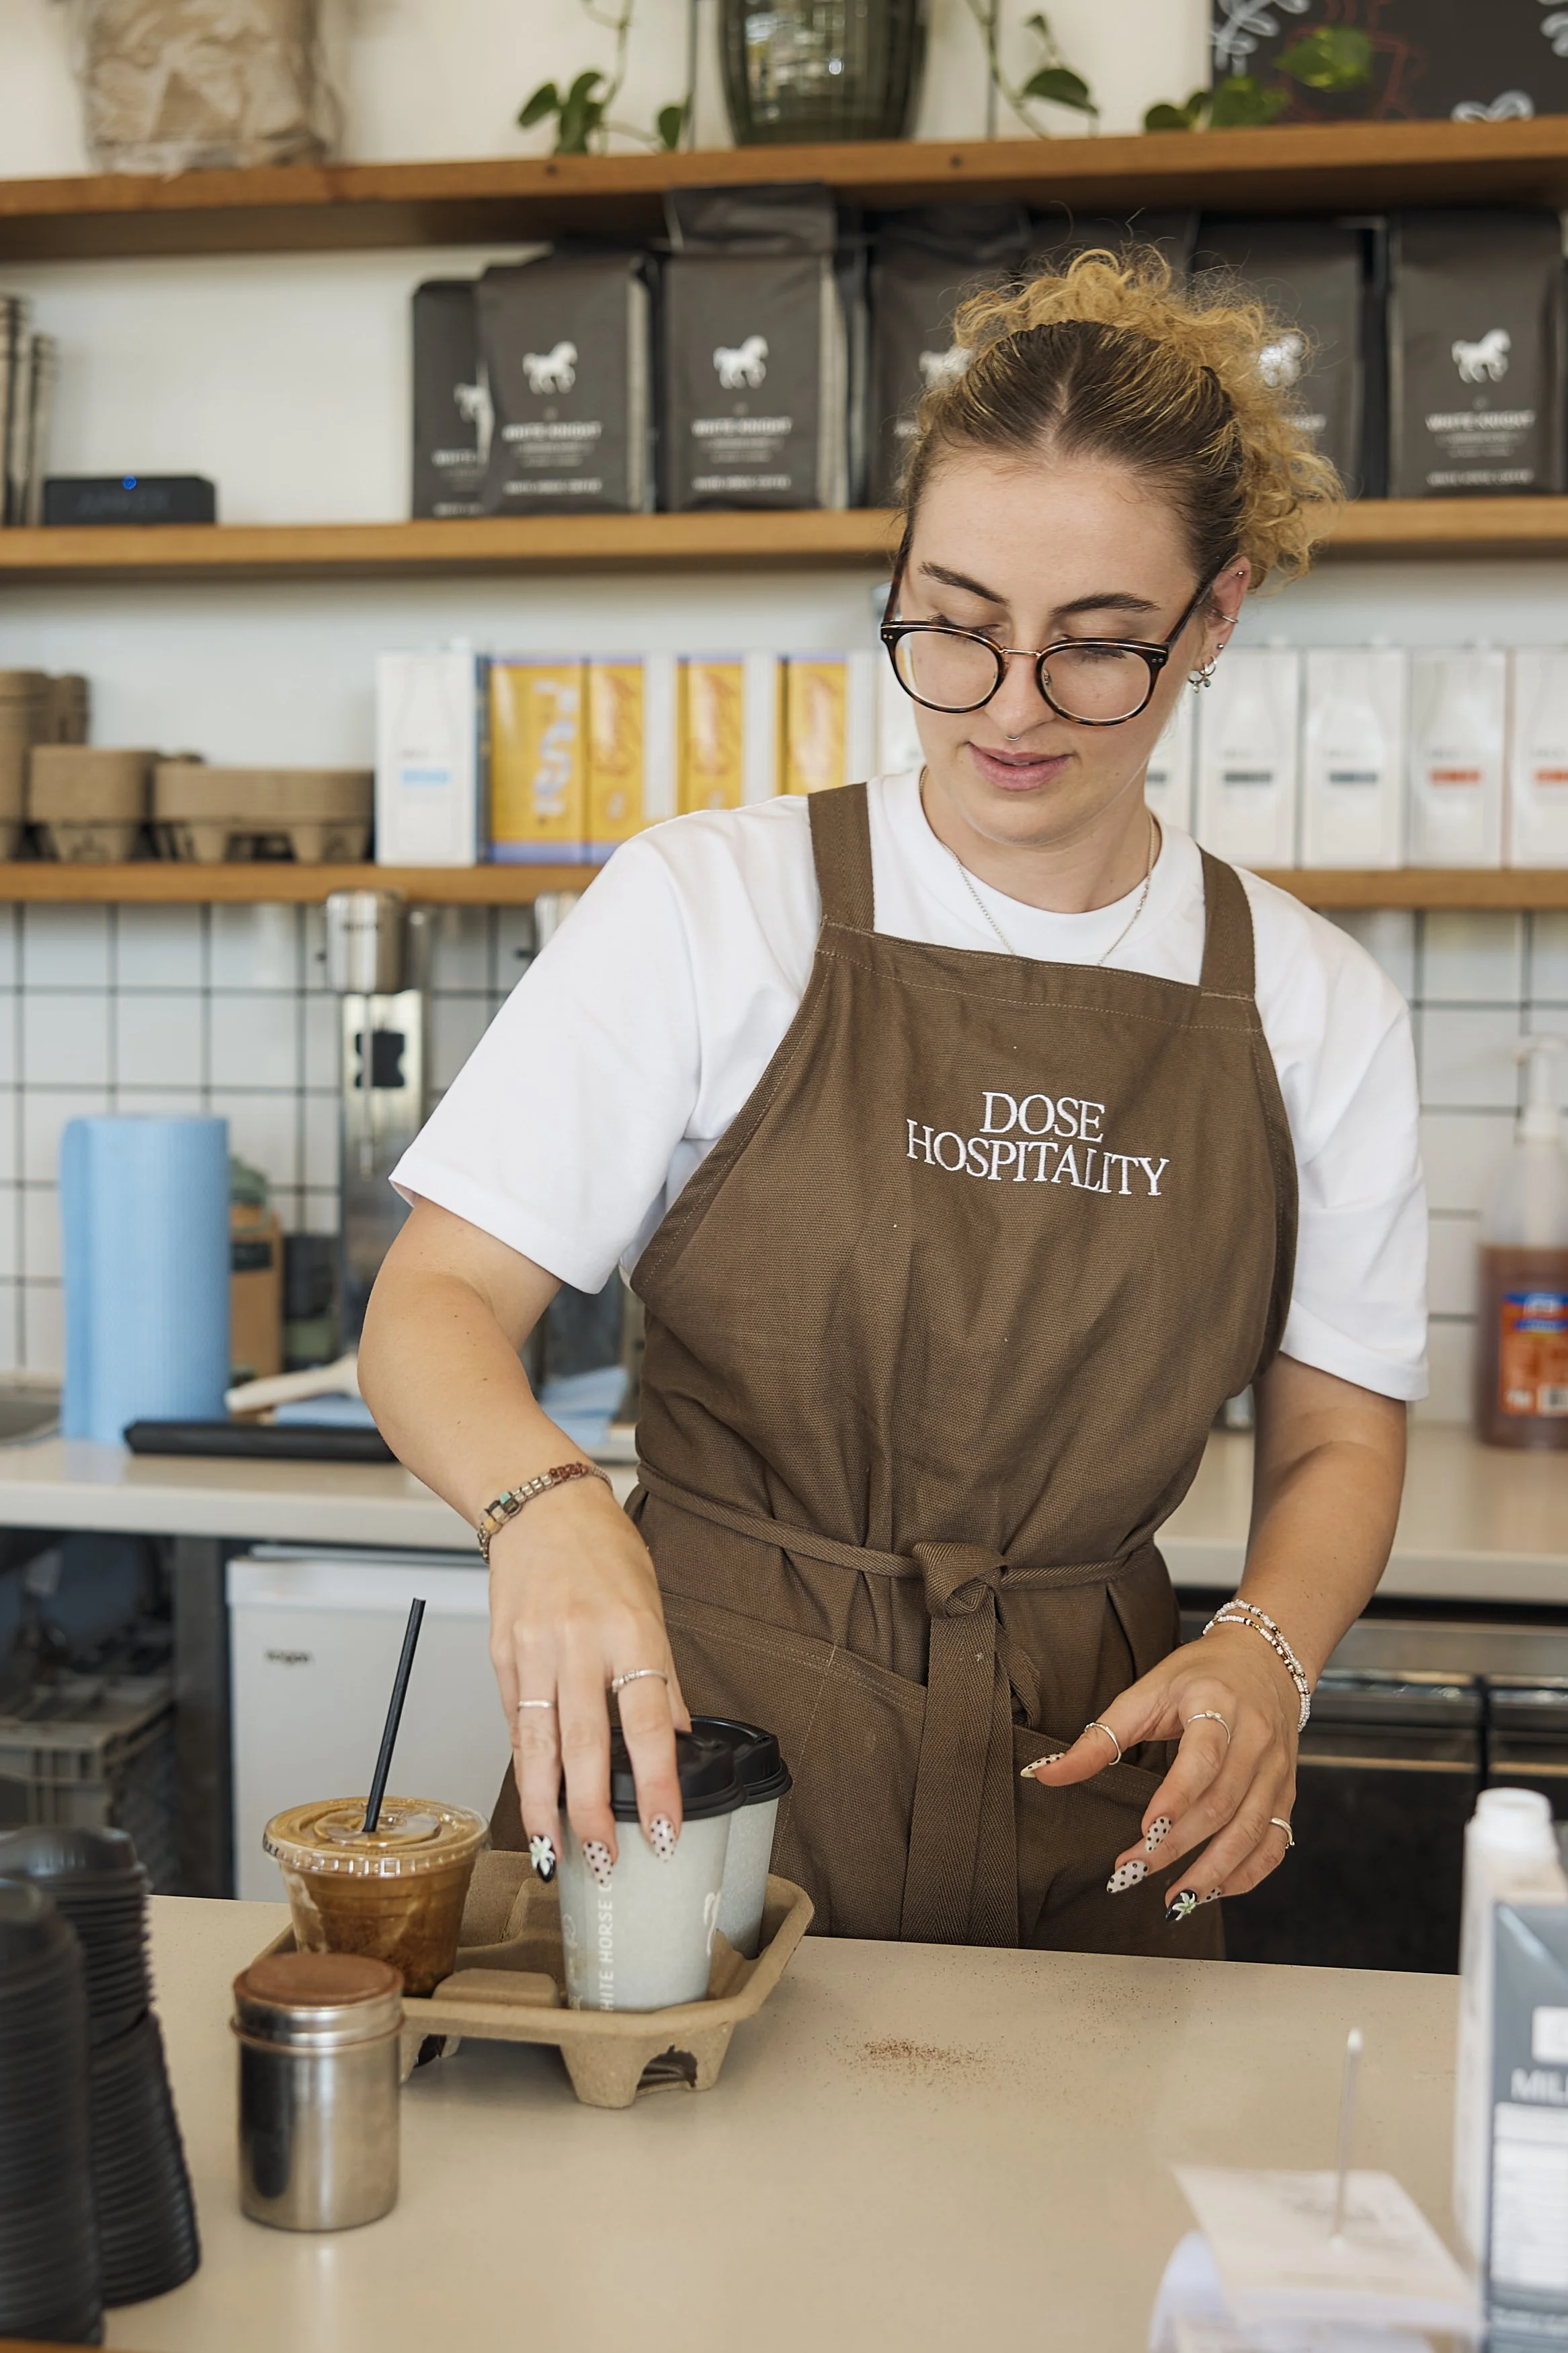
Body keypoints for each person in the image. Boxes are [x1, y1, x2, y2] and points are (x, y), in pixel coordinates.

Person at [360, 249, 1426, 1957]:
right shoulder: (709, 907)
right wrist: (542, 1510)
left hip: (1102, 1779)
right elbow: (429, 1309)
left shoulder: (1316, 1008)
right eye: (953, 626)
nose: (1008, 707)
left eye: (1097, 649)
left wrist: (1266, 1651)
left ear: (1213, 617)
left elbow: (1337, 1433)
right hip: (690, 1759)